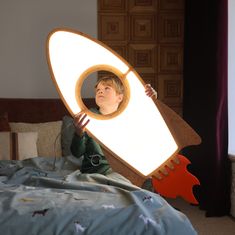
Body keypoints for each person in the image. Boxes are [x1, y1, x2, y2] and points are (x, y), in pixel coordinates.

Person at [70, 76, 157, 176]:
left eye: (107, 88)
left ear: (119, 97)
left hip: (122, 174)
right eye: (98, 90)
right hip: (94, 173)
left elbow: (150, 125)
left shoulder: (128, 118)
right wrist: (79, 133)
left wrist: (152, 99)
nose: (100, 91)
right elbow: (76, 153)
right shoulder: (88, 118)